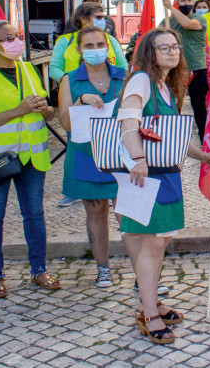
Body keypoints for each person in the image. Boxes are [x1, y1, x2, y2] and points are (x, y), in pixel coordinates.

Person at [118, 29, 210, 344]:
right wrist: (138, 158)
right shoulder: (141, 80)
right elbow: (128, 123)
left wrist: (201, 154)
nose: (173, 51)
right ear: (149, 52)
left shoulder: (165, 85)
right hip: (145, 174)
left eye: (175, 46)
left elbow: (169, 135)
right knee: (152, 243)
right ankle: (150, 313)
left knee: (156, 242)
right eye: (164, 47)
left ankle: (149, 303)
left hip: (164, 173)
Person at [0, 20, 58, 298]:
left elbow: (48, 112)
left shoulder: (28, 69)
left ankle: (39, 270)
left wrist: (45, 110)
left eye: (16, 36)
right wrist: (18, 110)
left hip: (33, 158)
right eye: (7, 39)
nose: (15, 42)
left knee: (35, 214)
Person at [56, 26, 127, 288]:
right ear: (79, 49)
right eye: (89, 46)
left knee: (127, 213)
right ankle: (103, 268)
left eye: (100, 44)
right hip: (86, 154)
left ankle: (141, 269)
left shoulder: (124, 76)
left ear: (108, 47)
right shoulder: (69, 80)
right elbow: (65, 123)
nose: (95, 50)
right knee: (96, 213)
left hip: (121, 154)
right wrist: (80, 101)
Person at [161, 0, 210, 142]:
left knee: (199, 107)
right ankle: (172, 139)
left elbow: (187, 24)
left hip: (197, 69)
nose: (187, 3)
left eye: (189, 0)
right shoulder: (168, 21)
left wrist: (170, 7)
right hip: (174, 70)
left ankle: (204, 140)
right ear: (178, 2)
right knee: (173, 105)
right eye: (183, 1)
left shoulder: (200, 19)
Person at [50, 2, 126, 83]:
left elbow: (122, 65)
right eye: (98, 17)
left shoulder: (110, 40)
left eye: (103, 17)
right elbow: (54, 69)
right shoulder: (65, 41)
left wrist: (117, 82)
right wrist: (69, 83)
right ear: (84, 20)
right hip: (75, 89)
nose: (103, 21)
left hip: (108, 88)